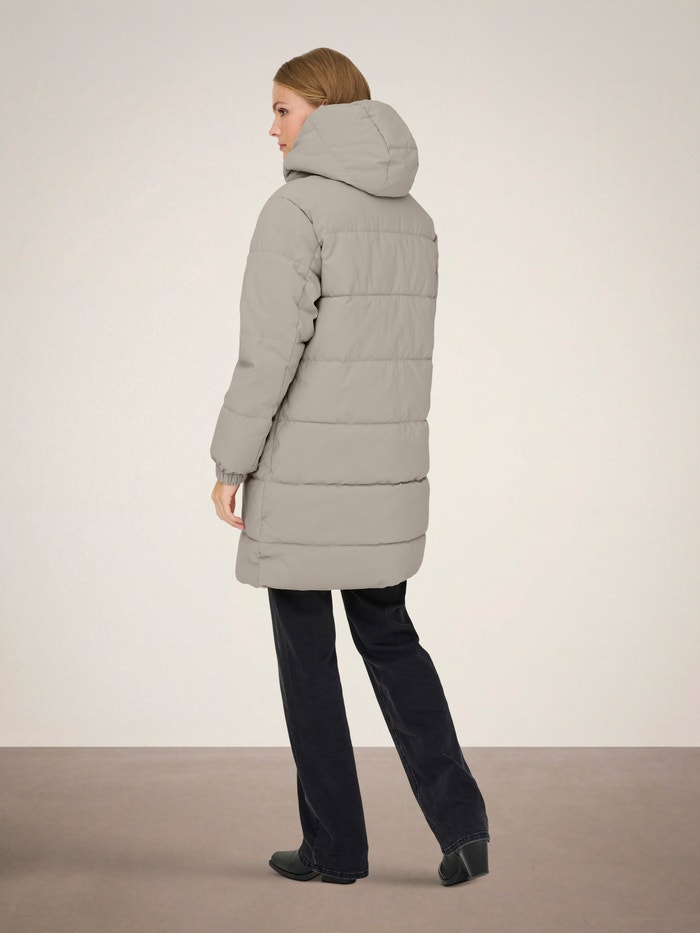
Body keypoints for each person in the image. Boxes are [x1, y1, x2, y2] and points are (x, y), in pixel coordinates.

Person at [210, 47, 490, 886]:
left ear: (322, 112)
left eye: (283, 110)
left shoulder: (294, 211)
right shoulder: (413, 216)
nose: (272, 129)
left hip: (304, 476)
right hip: (385, 477)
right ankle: (464, 828)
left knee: (308, 659)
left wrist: (231, 460)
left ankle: (336, 848)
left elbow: (269, 353)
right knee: (393, 640)